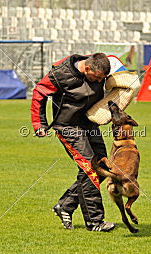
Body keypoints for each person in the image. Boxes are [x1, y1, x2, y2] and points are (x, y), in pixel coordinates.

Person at [30, 53, 116, 232]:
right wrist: (39, 124)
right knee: (89, 167)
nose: (100, 81)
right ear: (87, 69)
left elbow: (119, 67)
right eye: (98, 78)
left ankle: (66, 205)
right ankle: (95, 222)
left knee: (102, 166)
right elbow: (39, 92)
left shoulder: (101, 64)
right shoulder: (61, 74)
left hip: (88, 122)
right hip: (67, 126)